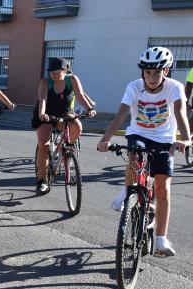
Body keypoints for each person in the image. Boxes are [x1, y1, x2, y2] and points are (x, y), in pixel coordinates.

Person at [97, 46, 191, 256]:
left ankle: (161, 240)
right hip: (138, 134)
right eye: (148, 72)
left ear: (165, 71)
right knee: (134, 155)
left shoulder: (175, 87)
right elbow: (120, 115)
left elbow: (180, 113)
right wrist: (105, 139)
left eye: (157, 72)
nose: (152, 77)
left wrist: (185, 139)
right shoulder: (133, 87)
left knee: (162, 188)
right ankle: (127, 191)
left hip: (165, 139)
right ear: (142, 72)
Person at [32, 57, 96, 194]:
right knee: (43, 144)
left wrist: (89, 109)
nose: (52, 75)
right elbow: (42, 99)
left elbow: (79, 96)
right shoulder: (45, 82)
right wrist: (42, 114)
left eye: (56, 72)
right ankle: (42, 180)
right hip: (47, 113)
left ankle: (66, 148)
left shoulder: (71, 79)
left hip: (64, 111)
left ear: (64, 70)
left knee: (77, 126)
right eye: (51, 72)